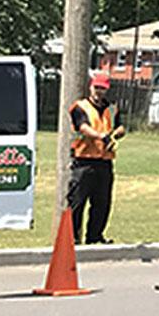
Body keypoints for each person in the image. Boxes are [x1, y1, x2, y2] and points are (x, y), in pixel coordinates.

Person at [67, 72, 125, 244]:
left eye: (103, 88)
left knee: (102, 203)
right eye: (97, 87)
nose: (99, 91)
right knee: (77, 203)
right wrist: (101, 136)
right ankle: (72, 238)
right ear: (91, 87)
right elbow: (83, 127)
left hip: (104, 162)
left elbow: (120, 126)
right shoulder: (80, 107)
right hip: (83, 161)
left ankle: (95, 237)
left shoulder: (112, 108)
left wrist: (117, 134)